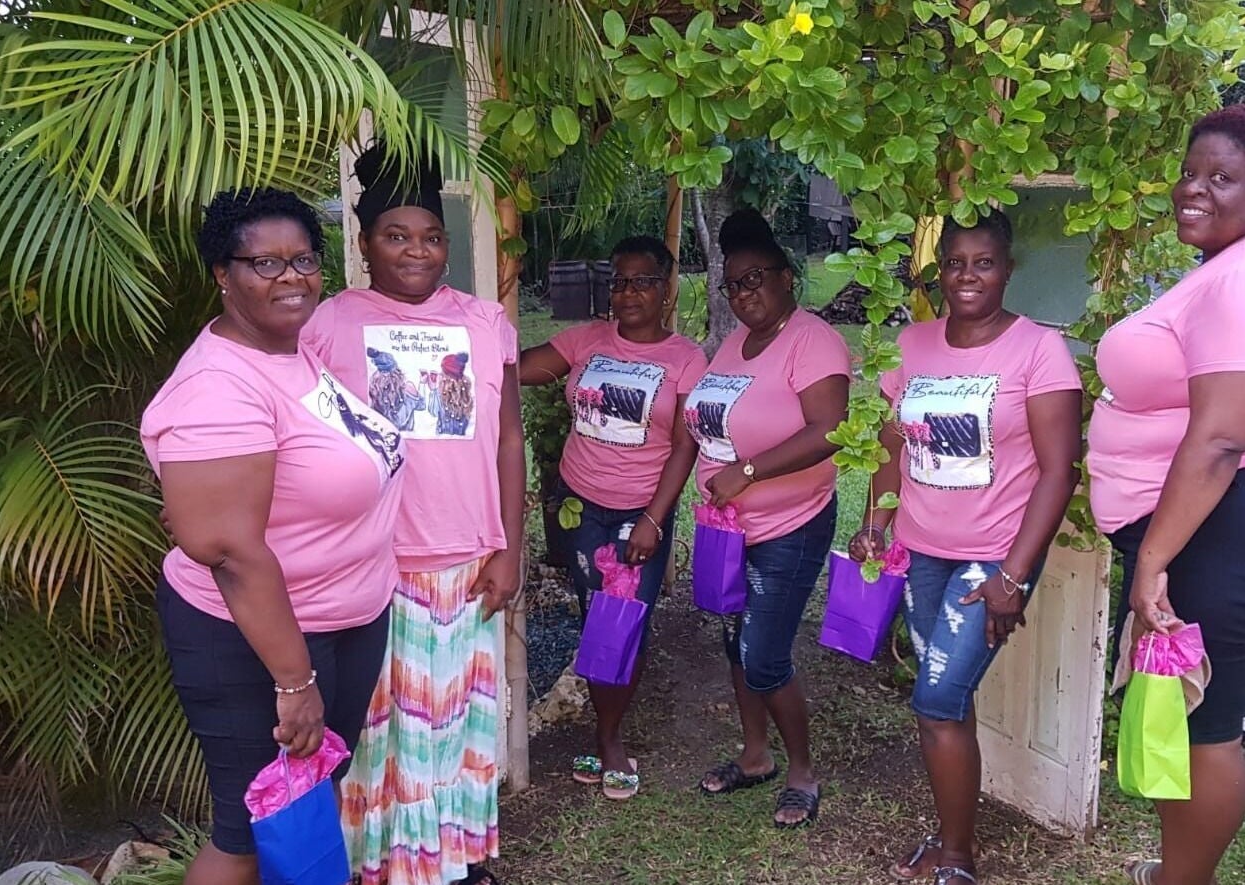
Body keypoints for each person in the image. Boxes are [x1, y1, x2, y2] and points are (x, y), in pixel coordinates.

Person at [1087, 104, 1245, 885]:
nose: (1195, 189)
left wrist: (1153, 559)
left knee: (1202, 724)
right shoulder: (1241, 266)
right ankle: (1178, 870)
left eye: (1221, 177)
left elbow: (1223, 437)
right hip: (1224, 520)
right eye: (1190, 173)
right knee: (1187, 711)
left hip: (1226, 523)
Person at [142, 188, 404, 885]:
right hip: (258, 643)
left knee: (304, 802)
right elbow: (229, 551)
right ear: (223, 275)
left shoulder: (289, 351)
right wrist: (295, 681)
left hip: (339, 619)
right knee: (250, 830)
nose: (291, 277)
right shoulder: (217, 388)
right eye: (265, 263)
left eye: (304, 259)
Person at [303, 144, 524, 885]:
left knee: (456, 722)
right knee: (379, 730)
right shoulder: (326, 326)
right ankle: (380, 865)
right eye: (396, 235)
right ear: (365, 242)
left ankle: (453, 857)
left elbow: (509, 437)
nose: (416, 251)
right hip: (369, 566)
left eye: (431, 236)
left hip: (467, 560)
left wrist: (509, 547)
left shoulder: (485, 322)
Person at [849, 212, 1082, 884]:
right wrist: (876, 523)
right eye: (955, 263)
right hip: (922, 553)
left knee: (934, 701)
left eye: (984, 262)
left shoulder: (1039, 350)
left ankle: (957, 858)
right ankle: (951, 831)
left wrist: (1013, 575)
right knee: (947, 699)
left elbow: (1059, 471)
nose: (968, 276)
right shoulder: (912, 345)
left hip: (994, 560)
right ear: (940, 271)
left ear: (1007, 269)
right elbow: (892, 449)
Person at [519, 235, 707, 800]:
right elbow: (520, 370)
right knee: (592, 615)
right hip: (580, 505)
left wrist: (654, 518)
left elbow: (685, 446)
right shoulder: (587, 340)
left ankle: (609, 737)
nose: (628, 293)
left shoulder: (686, 358)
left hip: (640, 511)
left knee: (624, 621)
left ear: (666, 289)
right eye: (620, 281)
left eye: (643, 281)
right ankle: (603, 727)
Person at [688, 208, 850, 828]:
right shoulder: (736, 342)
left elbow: (830, 429)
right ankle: (755, 756)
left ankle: (802, 771)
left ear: (786, 277)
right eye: (733, 284)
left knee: (763, 654)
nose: (744, 292)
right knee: (736, 637)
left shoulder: (812, 340)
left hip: (791, 525)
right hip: (731, 529)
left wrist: (747, 472)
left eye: (756, 278)